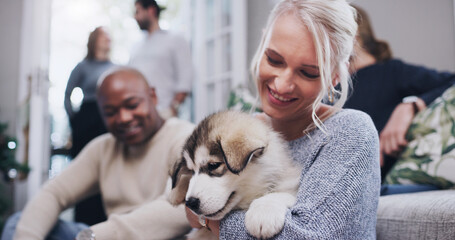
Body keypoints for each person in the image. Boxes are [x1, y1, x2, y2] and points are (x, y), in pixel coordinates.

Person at [185, 0, 381, 239]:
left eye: (308, 72)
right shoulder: (240, 134)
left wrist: (208, 219)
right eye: (274, 60)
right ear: (263, 41)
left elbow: (312, 235)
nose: (282, 84)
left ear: (335, 77)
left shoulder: (349, 131)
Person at [1, 66, 194, 240]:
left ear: (152, 96)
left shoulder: (186, 139)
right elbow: (54, 193)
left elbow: (180, 208)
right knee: (20, 222)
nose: (124, 118)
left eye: (132, 105)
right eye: (110, 112)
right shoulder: (103, 148)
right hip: (105, 237)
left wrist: (96, 235)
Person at [344, 5, 455, 189]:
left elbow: (451, 82)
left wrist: (411, 105)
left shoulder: (392, 71)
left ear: (351, 37)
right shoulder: (331, 89)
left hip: (387, 181)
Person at [64, 26, 115, 226]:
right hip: (86, 120)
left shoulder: (115, 67)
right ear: (95, 40)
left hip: (107, 120)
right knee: (85, 169)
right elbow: (67, 96)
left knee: (106, 166)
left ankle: (105, 219)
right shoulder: (82, 67)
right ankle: (83, 220)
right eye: (105, 36)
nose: (109, 40)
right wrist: (75, 121)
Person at [129, 0, 194, 119]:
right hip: (138, 114)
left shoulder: (175, 39)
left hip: (165, 113)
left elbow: (185, 78)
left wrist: (172, 109)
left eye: (137, 11)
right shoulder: (135, 47)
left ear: (151, 10)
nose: (134, 16)